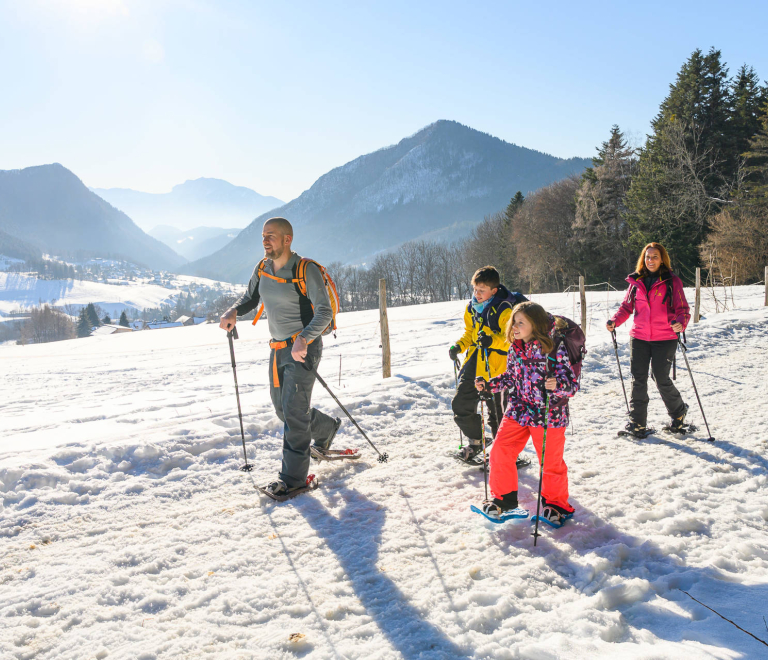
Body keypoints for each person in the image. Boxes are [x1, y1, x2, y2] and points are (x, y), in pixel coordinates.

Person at [219, 217, 341, 497]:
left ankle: (293, 478)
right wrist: (233, 311)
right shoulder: (262, 267)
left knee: (295, 414)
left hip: (303, 348)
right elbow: (250, 297)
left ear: (287, 239)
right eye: (263, 236)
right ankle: (326, 429)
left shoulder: (304, 269)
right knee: (284, 410)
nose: (264, 241)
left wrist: (304, 338)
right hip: (277, 349)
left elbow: (325, 312)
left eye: (270, 236)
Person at [475, 302, 579, 525]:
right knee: (500, 451)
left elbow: (572, 385)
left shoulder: (552, 347)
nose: (514, 326)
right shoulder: (515, 348)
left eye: (520, 322)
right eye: (514, 321)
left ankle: (557, 506)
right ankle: (504, 501)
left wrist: (557, 384)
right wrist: (489, 385)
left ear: (536, 324)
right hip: (519, 409)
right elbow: (510, 377)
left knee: (550, 463)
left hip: (548, 413)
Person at [606, 242, 690, 437]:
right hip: (640, 337)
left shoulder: (672, 281)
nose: (650, 260)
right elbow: (626, 308)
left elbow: (682, 309)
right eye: (647, 257)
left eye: (655, 257)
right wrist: (614, 321)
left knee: (660, 378)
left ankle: (678, 413)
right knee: (638, 379)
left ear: (662, 260)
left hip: (665, 337)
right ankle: (637, 423)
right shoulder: (637, 282)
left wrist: (680, 322)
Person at [449, 266, 526, 461]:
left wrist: (492, 341)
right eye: (475, 289)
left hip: (496, 366)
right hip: (475, 360)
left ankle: (507, 454)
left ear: (494, 290)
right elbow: (470, 333)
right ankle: (477, 442)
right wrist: (459, 346)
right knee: (461, 402)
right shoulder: (472, 307)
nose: (477, 294)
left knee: (497, 413)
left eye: (482, 290)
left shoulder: (504, 309)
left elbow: (512, 338)